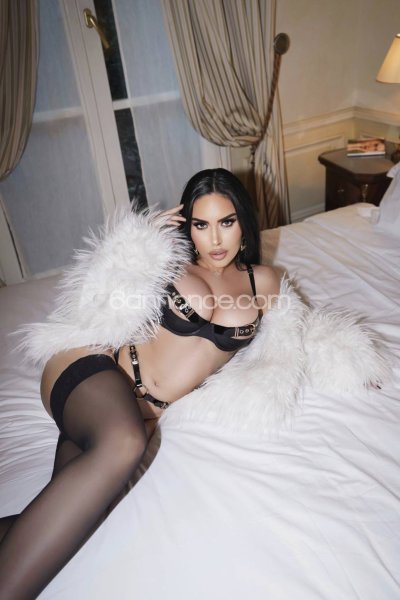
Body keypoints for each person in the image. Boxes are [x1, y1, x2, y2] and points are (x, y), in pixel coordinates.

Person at [0, 168, 279, 599]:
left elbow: (291, 336)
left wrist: (342, 358)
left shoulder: (264, 281)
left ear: (243, 221)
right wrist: (135, 247)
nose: (215, 239)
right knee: (124, 443)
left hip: (138, 413)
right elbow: (96, 297)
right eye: (200, 225)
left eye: (226, 222)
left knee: (78, 519)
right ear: (188, 228)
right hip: (92, 369)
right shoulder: (169, 263)